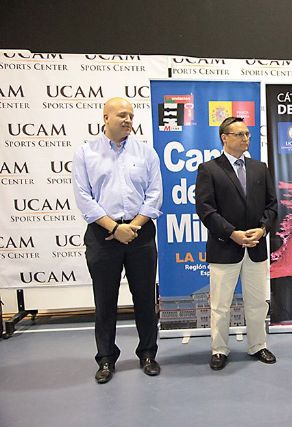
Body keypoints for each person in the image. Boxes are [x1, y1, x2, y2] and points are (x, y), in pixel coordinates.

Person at [72, 97, 163, 384]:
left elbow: (154, 194)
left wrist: (131, 227)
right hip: (102, 234)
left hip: (140, 233)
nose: (128, 120)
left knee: (145, 298)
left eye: (131, 116)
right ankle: (106, 358)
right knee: (105, 300)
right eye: (122, 115)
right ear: (106, 117)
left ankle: (147, 354)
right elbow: (83, 197)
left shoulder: (146, 152)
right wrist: (114, 227)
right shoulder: (86, 153)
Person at [195, 116, 278, 371]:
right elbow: (206, 210)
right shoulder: (209, 169)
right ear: (224, 138)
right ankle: (219, 349)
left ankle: (258, 345)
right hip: (224, 247)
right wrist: (232, 233)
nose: (245, 138)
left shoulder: (259, 168)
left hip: (255, 248)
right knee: (221, 305)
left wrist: (262, 229)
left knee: (258, 302)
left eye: (247, 134)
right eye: (240, 134)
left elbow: (272, 205)